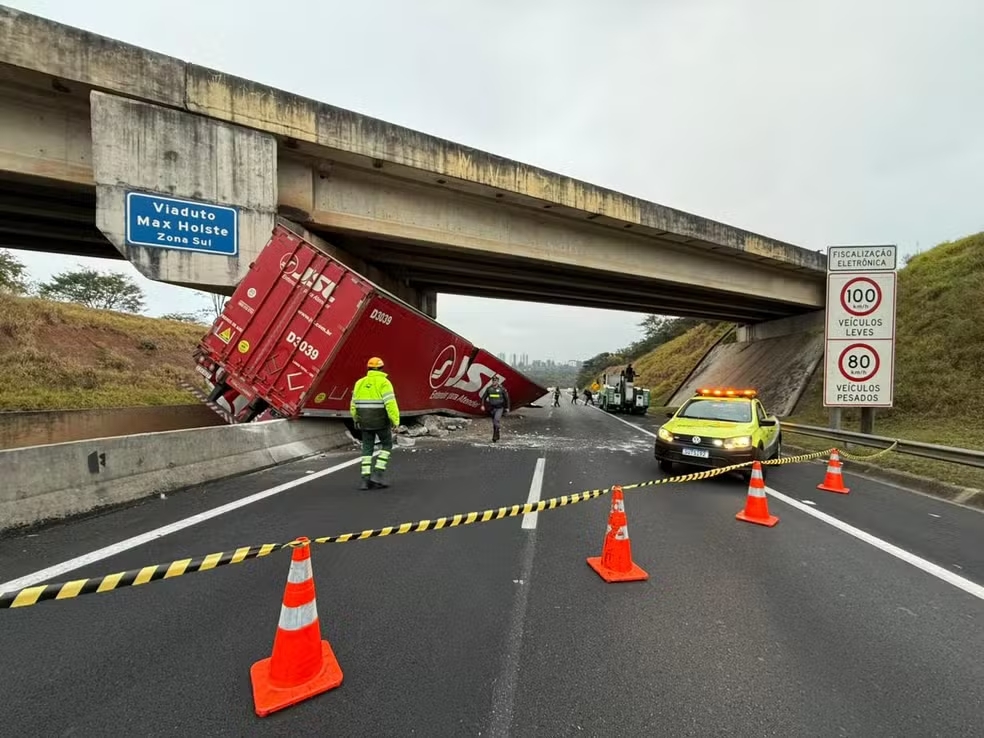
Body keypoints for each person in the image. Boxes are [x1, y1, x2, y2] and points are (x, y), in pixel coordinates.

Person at [350, 356, 400, 490]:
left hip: (364, 422)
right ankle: (378, 474)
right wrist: (395, 420)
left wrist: (356, 419)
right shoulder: (384, 383)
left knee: (367, 449)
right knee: (387, 445)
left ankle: (365, 480)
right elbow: (390, 404)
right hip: (380, 421)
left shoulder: (359, 383)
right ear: (382, 368)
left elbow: (353, 405)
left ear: (368, 368)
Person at [481, 376, 511, 443]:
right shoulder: (489, 389)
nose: (494, 382)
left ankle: (495, 435)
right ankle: (496, 434)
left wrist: (507, 407)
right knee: (494, 423)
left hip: (499, 408)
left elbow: (507, 399)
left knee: (496, 420)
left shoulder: (502, 389)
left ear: (497, 381)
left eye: (495, 381)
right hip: (492, 408)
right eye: (493, 381)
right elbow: (484, 397)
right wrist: (482, 405)